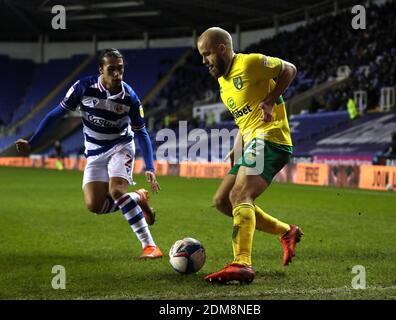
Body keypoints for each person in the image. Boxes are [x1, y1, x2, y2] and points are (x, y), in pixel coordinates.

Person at [15, 48, 163, 259]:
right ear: (100, 69)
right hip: (94, 152)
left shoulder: (130, 97)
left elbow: (141, 132)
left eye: (120, 69)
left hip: (121, 147)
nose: (117, 74)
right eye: (111, 69)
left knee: (116, 192)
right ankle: (137, 197)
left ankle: (150, 246)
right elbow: (56, 115)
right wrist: (32, 142)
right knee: (95, 205)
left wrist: (150, 167)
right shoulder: (83, 88)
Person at [197, 27, 303, 284]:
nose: (204, 61)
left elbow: (289, 69)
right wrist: (237, 146)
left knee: (239, 195)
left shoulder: (250, 63)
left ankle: (242, 263)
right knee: (222, 201)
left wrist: (270, 100)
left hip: (272, 137)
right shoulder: (223, 84)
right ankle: (287, 231)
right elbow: (245, 120)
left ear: (222, 48)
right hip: (252, 139)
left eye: (207, 54)